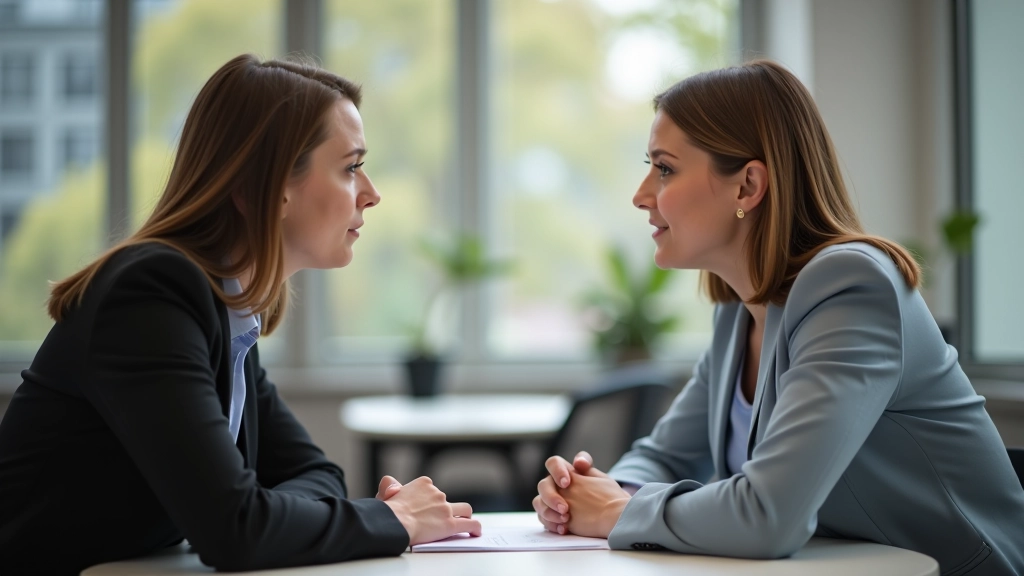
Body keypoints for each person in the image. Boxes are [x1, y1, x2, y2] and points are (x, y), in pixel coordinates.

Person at [534, 60, 1024, 575]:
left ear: (747, 186)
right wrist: (591, 494)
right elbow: (666, 456)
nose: (641, 195)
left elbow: (768, 516)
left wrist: (617, 510)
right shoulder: (738, 312)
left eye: (664, 168)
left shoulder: (854, 287)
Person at [0, 54, 480, 575]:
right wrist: (394, 519)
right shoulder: (150, 294)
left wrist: (281, 512)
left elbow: (316, 474)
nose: (371, 193)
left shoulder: (226, 312)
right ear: (267, 189)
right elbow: (235, 530)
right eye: (351, 167)